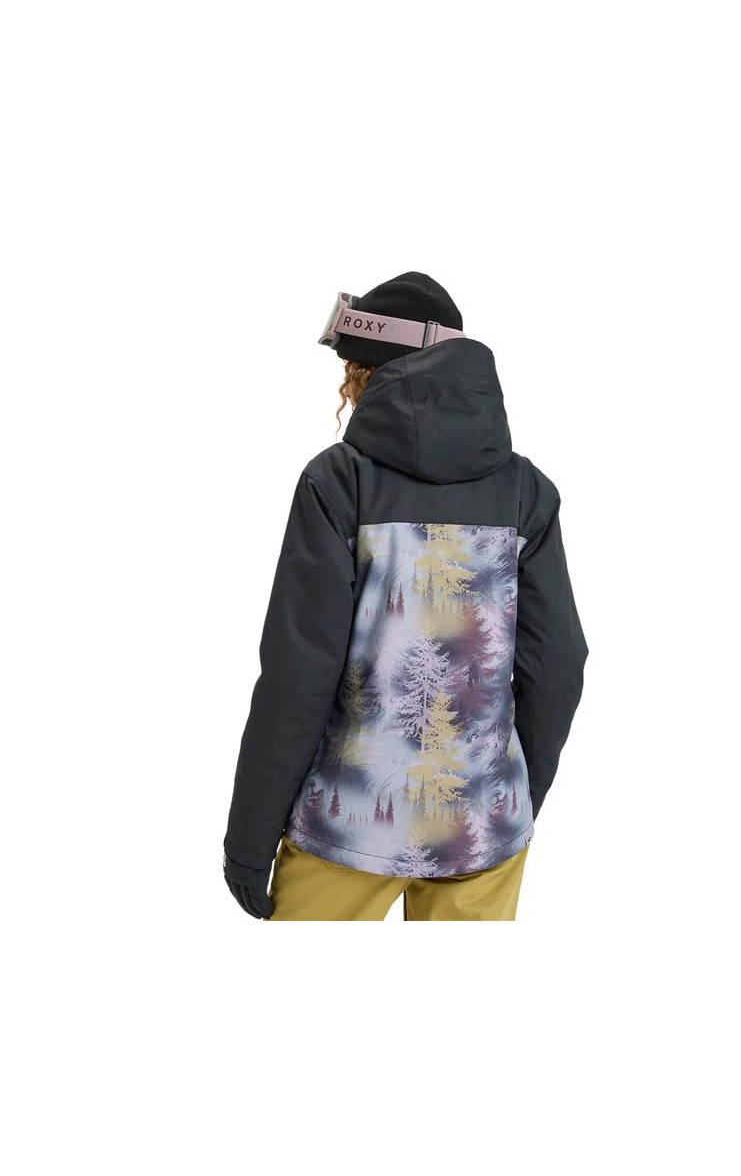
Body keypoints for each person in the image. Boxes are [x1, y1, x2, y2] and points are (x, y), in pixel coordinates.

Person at [222, 272, 588, 921]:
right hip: (483, 830)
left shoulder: (338, 482)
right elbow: (557, 663)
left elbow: (298, 677)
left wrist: (249, 840)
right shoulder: (527, 491)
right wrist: (510, 796)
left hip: (347, 827)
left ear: (368, 372)